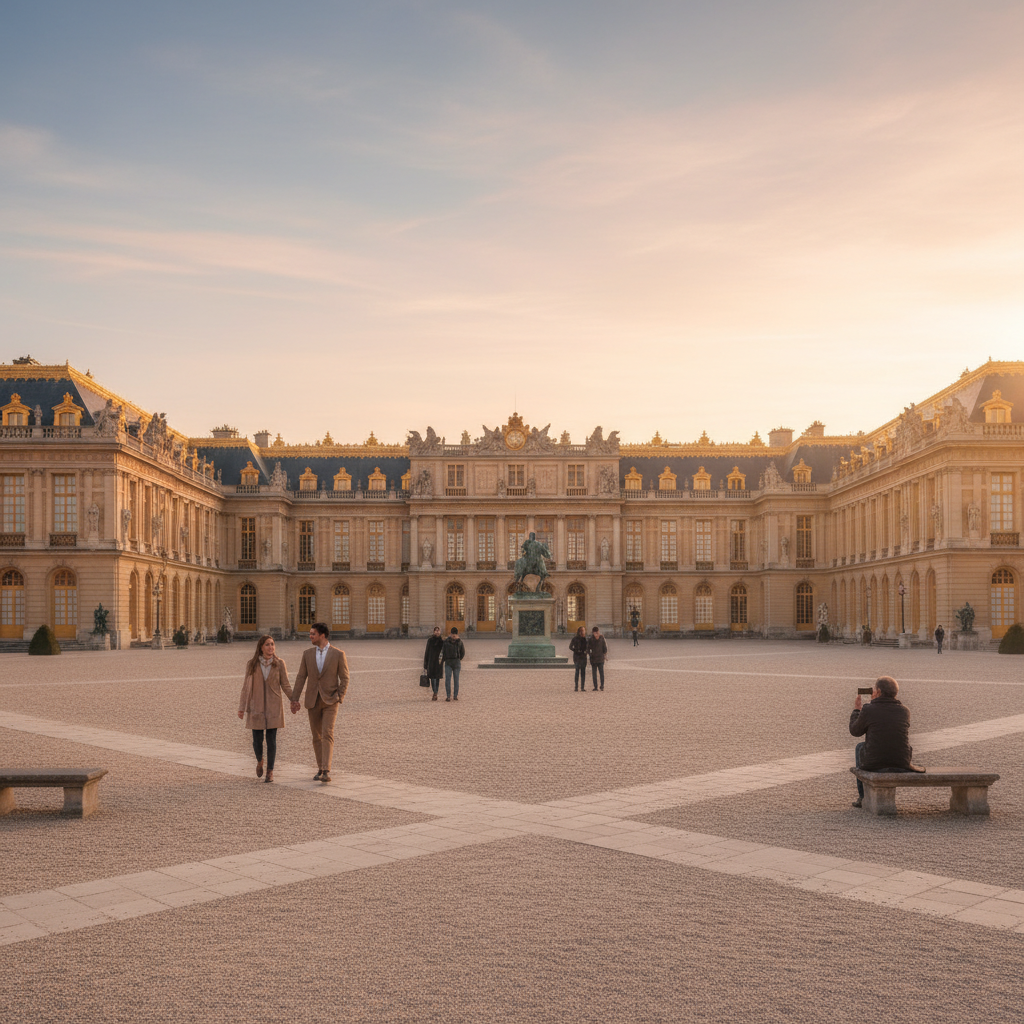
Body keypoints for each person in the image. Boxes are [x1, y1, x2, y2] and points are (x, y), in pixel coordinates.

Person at [290, 622, 349, 783]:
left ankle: (326, 770)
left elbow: (345, 677)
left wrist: (339, 696)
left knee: (327, 733)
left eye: (313, 634)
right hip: (313, 699)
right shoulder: (307, 654)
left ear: (322, 635)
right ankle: (320, 768)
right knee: (316, 736)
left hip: (331, 700)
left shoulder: (338, 654)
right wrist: (294, 699)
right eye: (310, 634)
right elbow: (301, 677)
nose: (310, 636)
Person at [848, 675, 917, 808]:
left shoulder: (869, 709)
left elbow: (855, 731)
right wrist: (875, 703)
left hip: (875, 762)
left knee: (859, 747)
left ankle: (863, 797)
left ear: (878, 691)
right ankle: (863, 796)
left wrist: (857, 709)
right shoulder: (905, 711)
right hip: (901, 762)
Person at [237, 634, 293, 783]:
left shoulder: (279, 663)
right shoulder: (252, 664)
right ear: (261, 647)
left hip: (274, 706)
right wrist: (242, 707)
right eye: (268, 644)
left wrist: (294, 700)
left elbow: (286, 685)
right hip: (257, 705)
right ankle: (260, 760)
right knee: (256, 740)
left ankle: (270, 771)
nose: (271, 647)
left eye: (273, 644)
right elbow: (246, 687)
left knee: (272, 740)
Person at [442, 627, 465, 702]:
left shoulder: (460, 642)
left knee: (456, 680)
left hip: (456, 663)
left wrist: (458, 658)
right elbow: (443, 651)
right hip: (448, 662)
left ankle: (455, 695)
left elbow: (462, 652)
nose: (454, 636)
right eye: (453, 634)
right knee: (447, 680)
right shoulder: (446, 641)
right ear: (450, 634)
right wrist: (445, 658)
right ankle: (448, 696)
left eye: (455, 634)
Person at [423, 626, 445, 701]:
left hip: (439, 662)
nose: (437, 632)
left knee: (437, 678)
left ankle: (436, 692)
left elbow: (444, 651)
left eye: (438, 631)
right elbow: (427, 651)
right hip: (431, 662)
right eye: (436, 631)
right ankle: (435, 692)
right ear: (434, 632)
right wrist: (425, 663)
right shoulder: (430, 640)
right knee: (433, 678)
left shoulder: (442, 641)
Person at [587, 625, 608, 691]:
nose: (596, 634)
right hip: (593, 659)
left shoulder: (602, 639)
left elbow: (605, 648)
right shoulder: (591, 639)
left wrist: (604, 654)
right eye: (595, 633)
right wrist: (590, 654)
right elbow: (587, 648)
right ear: (593, 633)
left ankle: (602, 685)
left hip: (600, 659)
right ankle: (595, 686)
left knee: (601, 673)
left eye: (597, 632)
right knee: (594, 674)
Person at [569, 626, 588, 692]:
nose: (583, 632)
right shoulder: (575, 638)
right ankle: (577, 687)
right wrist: (576, 650)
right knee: (577, 672)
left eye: (584, 630)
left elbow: (587, 647)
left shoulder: (585, 639)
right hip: (578, 657)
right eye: (582, 630)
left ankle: (582, 687)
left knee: (582, 672)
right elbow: (570, 646)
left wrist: (586, 652)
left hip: (583, 657)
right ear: (579, 631)